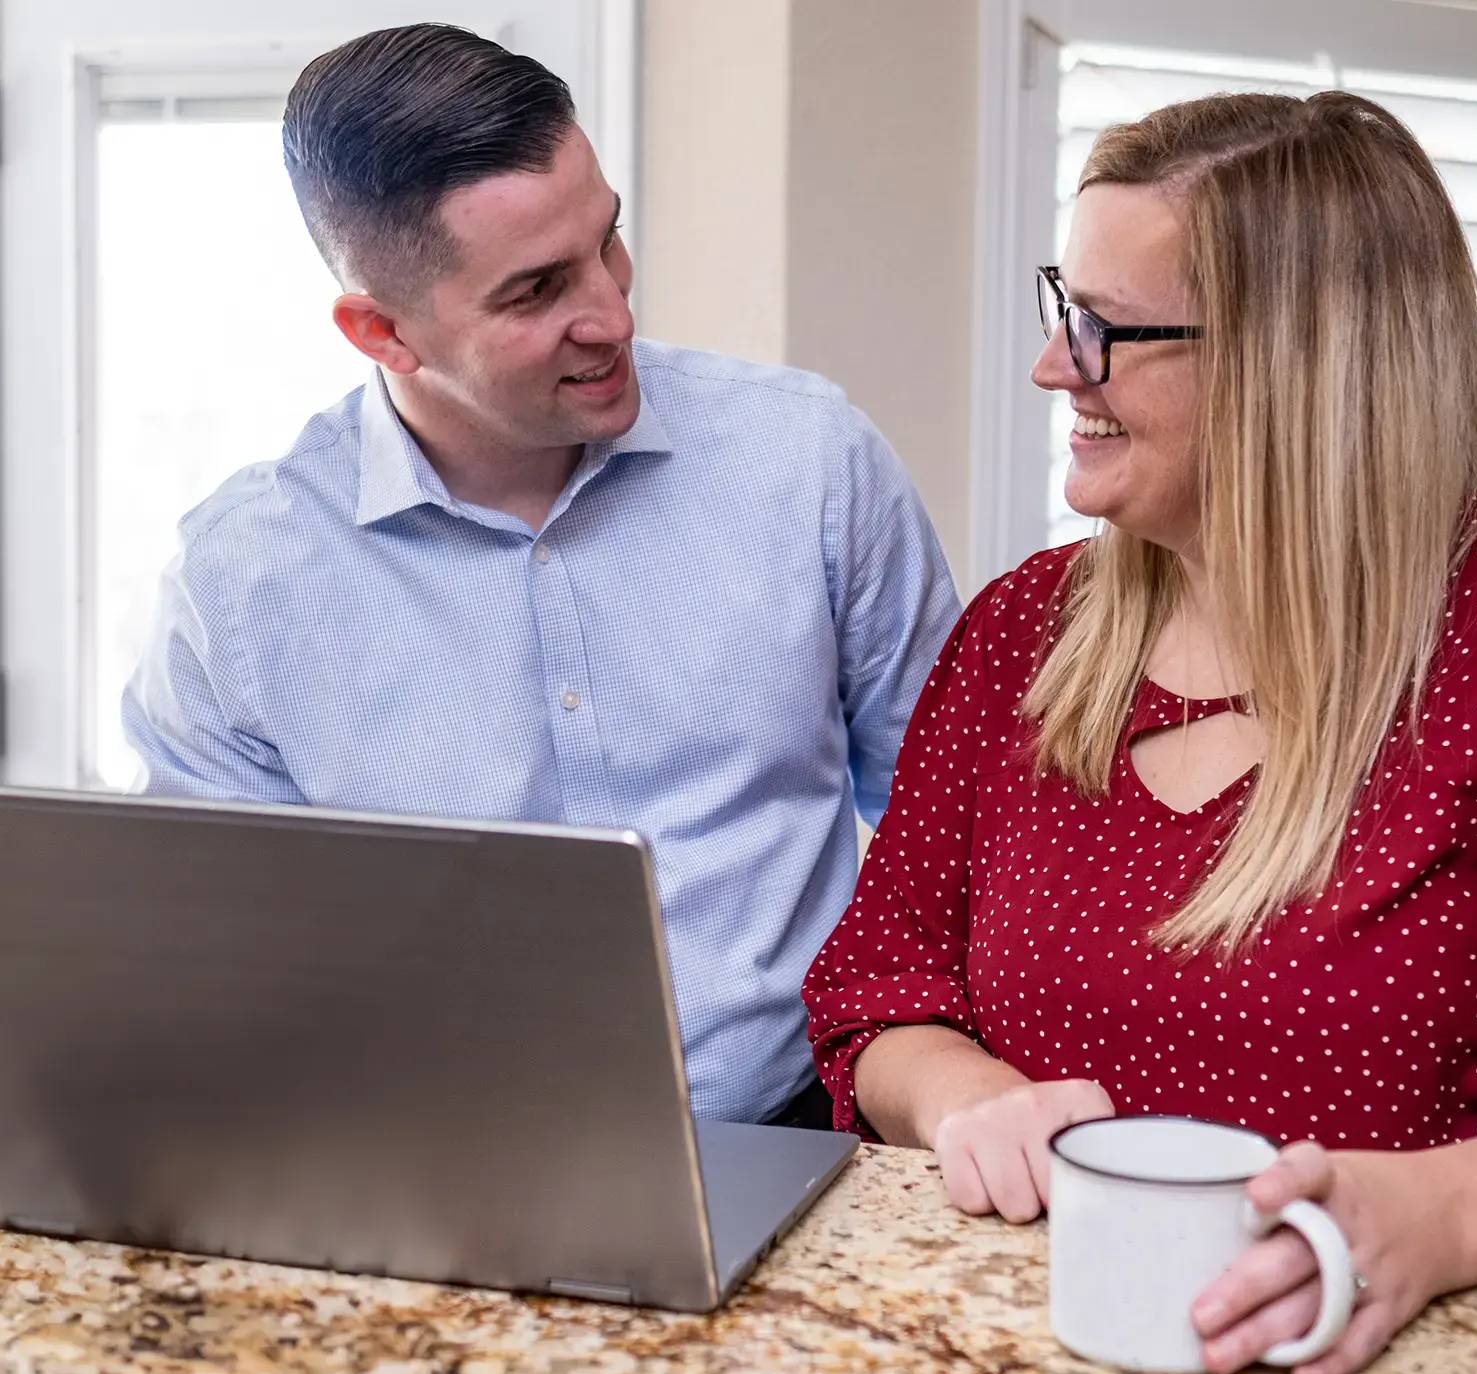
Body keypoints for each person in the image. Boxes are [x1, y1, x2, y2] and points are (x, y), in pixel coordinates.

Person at [804, 90, 1477, 1374]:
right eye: (1067, 305)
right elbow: (874, 993)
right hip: (1023, 1361)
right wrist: (961, 1095)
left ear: (1301, 361)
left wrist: (1444, 1221)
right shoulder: (1023, 632)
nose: (1053, 365)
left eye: (1108, 329)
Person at [123, 24, 960, 1130]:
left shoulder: (810, 463)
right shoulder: (239, 588)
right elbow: (219, 967)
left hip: (808, 1130)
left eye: (609, 241)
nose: (612, 313)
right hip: (424, 1161)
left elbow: (958, 831)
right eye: (535, 291)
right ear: (381, 332)